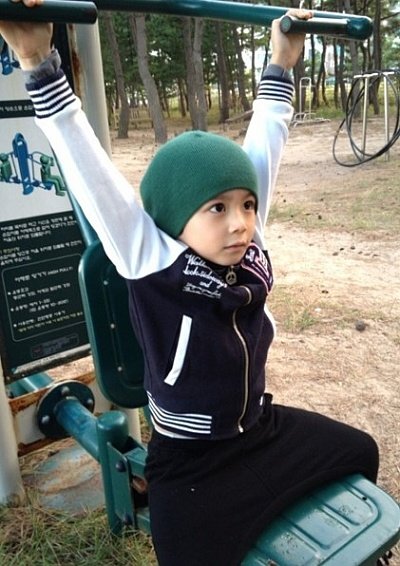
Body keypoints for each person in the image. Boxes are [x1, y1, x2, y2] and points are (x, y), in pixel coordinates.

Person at [0, 3, 380, 565]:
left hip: (262, 431)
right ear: (177, 219)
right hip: (192, 463)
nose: (241, 222)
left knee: (358, 451)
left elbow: (264, 150)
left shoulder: (246, 244)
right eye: (217, 208)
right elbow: (89, 171)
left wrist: (281, 64)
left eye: (247, 205)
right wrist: (38, 62)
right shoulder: (149, 259)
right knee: (184, 554)